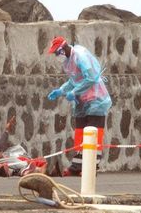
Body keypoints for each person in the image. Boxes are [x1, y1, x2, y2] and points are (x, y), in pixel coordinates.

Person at [47, 36, 112, 176]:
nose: (57, 56)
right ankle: (77, 166)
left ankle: (91, 167)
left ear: (63, 48)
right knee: (80, 133)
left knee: (94, 133)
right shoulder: (68, 62)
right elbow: (73, 80)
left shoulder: (80, 57)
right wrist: (61, 90)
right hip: (82, 101)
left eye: (57, 52)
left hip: (96, 99)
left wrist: (75, 91)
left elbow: (91, 78)